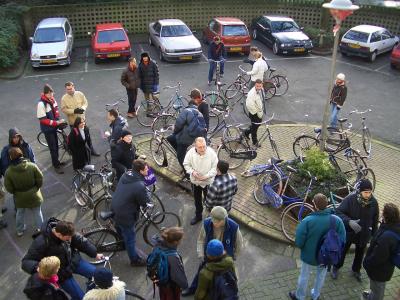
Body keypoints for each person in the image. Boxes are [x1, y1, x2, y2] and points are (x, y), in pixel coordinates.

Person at [21, 218, 102, 300]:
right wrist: (39, 268)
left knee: (98, 275)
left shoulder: (66, 229)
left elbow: (80, 241)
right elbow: (26, 262)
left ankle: (90, 285)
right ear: (59, 235)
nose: (70, 239)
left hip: (73, 261)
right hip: (61, 273)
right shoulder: (41, 242)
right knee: (80, 297)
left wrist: (94, 253)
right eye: (68, 238)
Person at [289, 194, 346, 300]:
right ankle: (315, 295)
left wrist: (302, 247)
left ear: (314, 205)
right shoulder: (336, 220)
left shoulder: (308, 221)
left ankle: (300, 296)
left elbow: (299, 241)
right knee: (321, 276)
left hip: (309, 255)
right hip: (326, 256)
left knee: (304, 275)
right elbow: (342, 239)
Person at [182, 206, 243, 296]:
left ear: (223, 219)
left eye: (216, 221)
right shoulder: (207, 223)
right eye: (212, 220)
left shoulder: (234, 227)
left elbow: (239, 244)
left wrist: (233, 257)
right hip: (209, 256)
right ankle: (193, 289)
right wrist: (201, 254)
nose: (213, 223)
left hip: (224, 258)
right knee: (200, 273)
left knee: (226, 279)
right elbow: (201, 240)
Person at [332, 179, 379, 282]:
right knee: (343, 250)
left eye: (369, 192)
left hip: (363, 233)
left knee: (360, 253)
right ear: (360, 191)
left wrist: (374, 235)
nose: (368, 195)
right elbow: (338, 212)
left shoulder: (374, 202)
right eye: (365, 192)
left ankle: (356, 270)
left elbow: (375, 219)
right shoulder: (350, 199)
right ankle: (336, 266)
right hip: (350, 232)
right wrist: (349, 222)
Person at [111, 159, 150, 266]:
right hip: (125, 215)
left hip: (115, 207)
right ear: (141, 171)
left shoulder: (126, 175)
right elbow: (144, 202)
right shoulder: (139, 185)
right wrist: (148, 197)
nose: (148, 170)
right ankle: (135, 260)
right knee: (130, 239)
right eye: (146, 169)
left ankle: (122, 244)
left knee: (119, 229)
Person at [363, 203, 400, 300]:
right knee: (376, 287)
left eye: (383, 212)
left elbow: (378, 257)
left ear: (386, 216)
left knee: (378, 289)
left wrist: (367, 263)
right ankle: (371, 295)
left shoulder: (387, 237)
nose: (381, 213)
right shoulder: (392, 226)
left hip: (379, 271)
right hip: (386, 268)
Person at [4, 147, 44, 237]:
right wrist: (37, 187)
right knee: (37, 212)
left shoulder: (8, 172)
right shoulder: (32, 166)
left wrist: (15, 192)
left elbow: (8, 187)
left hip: (19, 196)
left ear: (10, 157)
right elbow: (40, 177)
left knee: (20, 213)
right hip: (34, 193)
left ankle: (20, 230)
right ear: (21, 154)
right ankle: (41, 228)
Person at [183, 137, 218, 225]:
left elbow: (215, 168)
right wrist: (192, 172)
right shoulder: (190, 153)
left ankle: (211, 218)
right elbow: (186, 164)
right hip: (195, 182)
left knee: (209, 201)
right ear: (195, 146)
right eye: (200, 147)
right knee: (197, 200)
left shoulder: (212, 153)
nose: (203, 149)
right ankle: (198, 216)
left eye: (204, 146)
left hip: (208, 182)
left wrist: (206, 176)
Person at [60, 82, 99, 156]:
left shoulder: (80, 94)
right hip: (73, 123)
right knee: (77, 140)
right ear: (66, 89)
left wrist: (83, 108)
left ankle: (91, 150)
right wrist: (74, 111)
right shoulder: (64, 98)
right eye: (68, 89)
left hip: (82, 121)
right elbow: (64, 109)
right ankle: (81, 154)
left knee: (87, 136)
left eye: (71, 88)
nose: (69, 90)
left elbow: (85, 102)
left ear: (73, 87)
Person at [151, 227, 188, 300]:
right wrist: (185, 285)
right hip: (170, 286)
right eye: (180, 239)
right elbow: (177, 276)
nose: (181, 240)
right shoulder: (173, 257)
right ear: (175, 242)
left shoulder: (158, 245)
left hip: (161, 281)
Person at [37, 84, 66, 174]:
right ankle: (56, 165)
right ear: (45, 94)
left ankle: (57, 161)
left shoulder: (52, 100)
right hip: (48, 130)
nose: (51, 95)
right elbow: (42, 120)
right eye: (49, 94)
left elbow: (56, 112)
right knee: (53, 147)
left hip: (53, 127)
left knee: (56, 146)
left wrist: (58, 121)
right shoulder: (41, 104)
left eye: (52, 93)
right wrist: (55, 123)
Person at [167, 101, 206, 169]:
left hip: (185, 138)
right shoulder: (199, 113)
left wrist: (175, 131)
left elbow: (178, 125)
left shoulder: (186, 111)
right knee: (170, 138)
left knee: (180, 158)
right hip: (195, 137)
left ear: (189, 105)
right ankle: (180, 151)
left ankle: (188, 174)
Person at [244, 79, 265, 147]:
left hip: (259, 112)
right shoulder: (251, 94)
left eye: (260, 86)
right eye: (257, 86)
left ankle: (246, 133)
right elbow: (249, 105)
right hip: (254, 113)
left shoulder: (261, 90)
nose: (259, 88)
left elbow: (262, 98)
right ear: (255, 85)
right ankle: (255, 142)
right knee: (255, 128)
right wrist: (256, 112)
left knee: (256, 125)